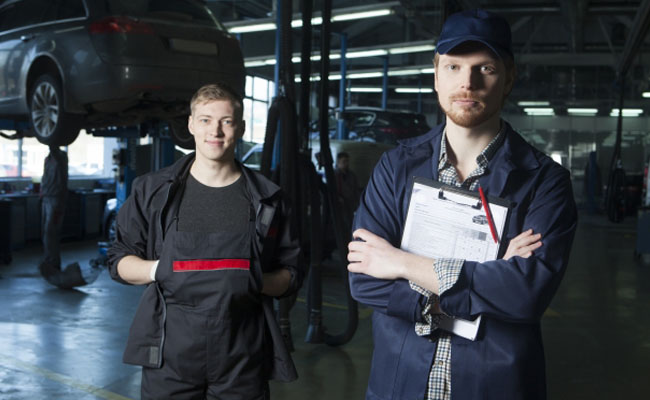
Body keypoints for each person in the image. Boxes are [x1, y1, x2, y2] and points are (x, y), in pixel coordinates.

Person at [347, 9, 577, 400]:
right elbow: (364, 279)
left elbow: (525, 295)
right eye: (453, 67)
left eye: (484, 68)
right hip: (401, 383)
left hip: (496, 385)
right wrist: (492, 275)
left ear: (508, 77)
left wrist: (401, 263)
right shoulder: (396, 168)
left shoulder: (544, 182)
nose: (467, 83)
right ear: (436, 74)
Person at [107, 83, 302, 399]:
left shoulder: (268, 200)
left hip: (242, 357)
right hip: (170, 355)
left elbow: (291, 275)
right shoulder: (152, 192)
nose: (216, 131)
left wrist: (253, 277)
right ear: (190, 124)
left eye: (226, 121)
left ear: (239, 127)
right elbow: (118, 261)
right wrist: (160, 269)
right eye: (206, 120)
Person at [39, 145, 68, 276]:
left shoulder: (61, 157)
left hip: (56, 199)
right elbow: (45, 176)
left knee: (52, 232)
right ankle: (48, 260)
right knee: (45, 232)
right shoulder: (47, 159)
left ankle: (54, 263)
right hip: (46, 197)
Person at [334, 151, 361, 229]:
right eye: (344, 161)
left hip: (350, 204)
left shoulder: (352, 175)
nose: (346, 163)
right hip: (339, 206)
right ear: (338, 162)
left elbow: (356, 190)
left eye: (347, 161)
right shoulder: (334, 175)